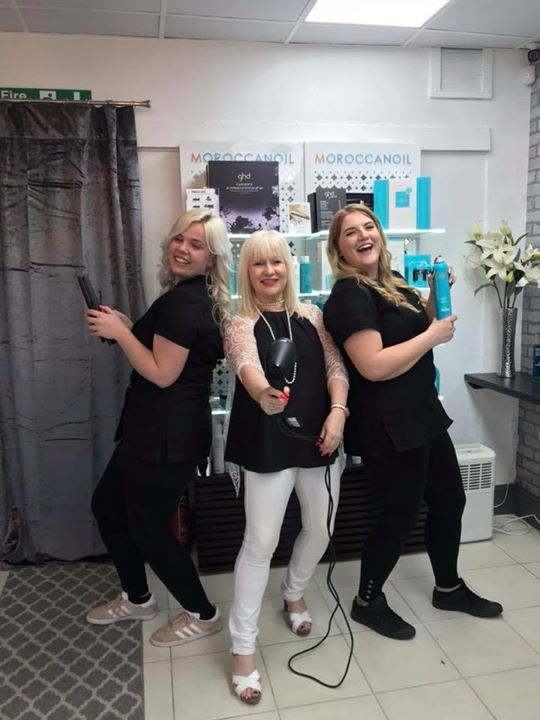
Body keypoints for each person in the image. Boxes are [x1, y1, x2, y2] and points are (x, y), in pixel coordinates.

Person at [323, 204, 503, 641]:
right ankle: (367, 601)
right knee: (398, 517)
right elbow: (373, 366)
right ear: (339, 249)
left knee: (450, 500)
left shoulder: (394, 281)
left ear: (380, 234)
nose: (363, 235)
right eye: (350, 232)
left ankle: (448, 588)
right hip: (388, 424)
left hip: (421, 413)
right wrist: (431, 335)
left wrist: (436, 295)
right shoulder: (350, 295)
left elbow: (421, 327)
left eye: (369, 226)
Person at [85, 210, 231, 648]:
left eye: (196, 245)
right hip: (151, 432)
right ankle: (137, 597)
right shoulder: (188, 296)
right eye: (179, 239)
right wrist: (128, 328)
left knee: (148, 530)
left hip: (166, 438)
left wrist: (120, 332)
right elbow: (165, 355)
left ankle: (203, 614)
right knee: (109, 507)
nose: (182, 249)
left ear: (212, 258)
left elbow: (162, 373)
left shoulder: (183, 303)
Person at [223, 230, 349, 704]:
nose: (269, 271)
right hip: (268, 441)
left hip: (319, 435)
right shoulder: (239, 321)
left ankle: (293, 590)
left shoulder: (313, 317)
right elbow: (245, 363)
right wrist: (263, 394)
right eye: (258, 263)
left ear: (289, 267)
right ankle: (242, 649)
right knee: (260, 541)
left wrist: (338, 412)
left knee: (321, 527)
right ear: (247, 271)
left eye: (276, 262)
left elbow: (336, 368)